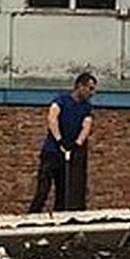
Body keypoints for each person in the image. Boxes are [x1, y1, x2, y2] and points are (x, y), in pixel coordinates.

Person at [28, 72, 97, 213]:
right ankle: (32, 216)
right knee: (43, 190)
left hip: (67, 154)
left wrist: (77, 144)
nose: (92, 93)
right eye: (90, 88)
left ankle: (59, 223)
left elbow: (86, 126)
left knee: (63, 192)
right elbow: (52, 118)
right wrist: (59, 139)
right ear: (80, 86)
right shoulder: (62, 100)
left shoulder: (86, 107)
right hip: (51, 153)